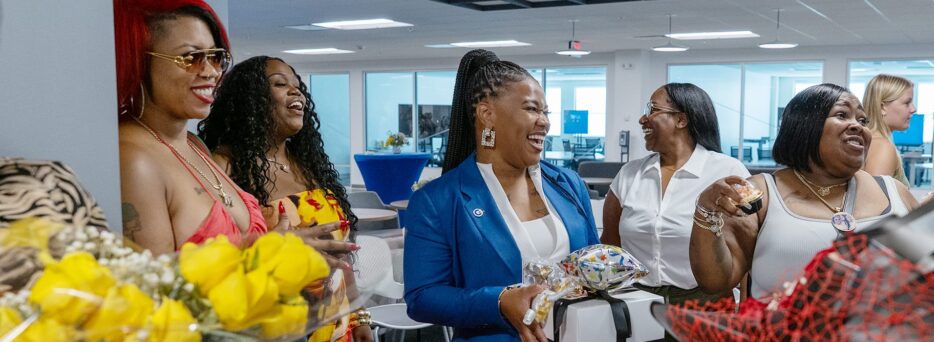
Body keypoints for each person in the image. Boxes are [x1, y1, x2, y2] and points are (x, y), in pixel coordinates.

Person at [403, 49, 600, 342]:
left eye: (545, 112)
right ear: (488, 114)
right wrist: (499, 301)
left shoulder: (568, 184)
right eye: (532, 109)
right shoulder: (439, 200)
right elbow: (423, 298)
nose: (544, 121)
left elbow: (591, 260)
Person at [689, 84, 920, 301]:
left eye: (862, 119)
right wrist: (705, 212)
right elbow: (716, 281)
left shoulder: (894, 192)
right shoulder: (762, 192)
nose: (858, 125)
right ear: (804, 126)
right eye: (842, 115)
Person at [198, 56, 371, 342]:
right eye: (280, 84)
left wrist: (359, 314)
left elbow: (338, 253)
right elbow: (220, 257)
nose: (296, 92)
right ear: (250, 101)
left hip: (338, 327)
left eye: (297, 85)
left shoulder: (308, 165)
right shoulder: (226, 167)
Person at [115, 0, 269, 253]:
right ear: (140, 63)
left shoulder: (194, 144)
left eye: (216, 57)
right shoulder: (133, 158)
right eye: (191, 58)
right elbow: (154, 285)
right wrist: (266, 255)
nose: (211, 72)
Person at [601, 83, 749, 306]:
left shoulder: (728, 172)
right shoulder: (629, 174)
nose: (642, 119)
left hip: (704, 306)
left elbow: (746, 253)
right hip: (636, 303)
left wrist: (749, 312)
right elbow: (610, 245)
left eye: (652, 109)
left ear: (681, 120)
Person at [862, 74, 916, 187]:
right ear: (882, 108)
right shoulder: (882, 147)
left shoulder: (870, 140)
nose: (913, 109)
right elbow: (874, 202)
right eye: (907, 103)